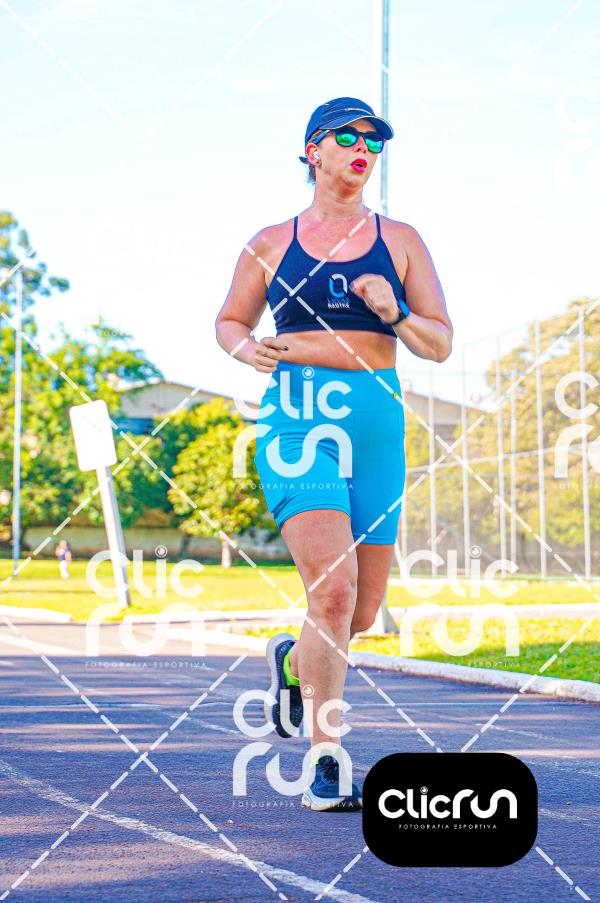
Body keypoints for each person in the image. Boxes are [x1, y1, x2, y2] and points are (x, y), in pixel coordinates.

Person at [215, 97, 452, 811]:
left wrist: (395, 312)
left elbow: (439, 343)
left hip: (376, 422)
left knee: (362, 612)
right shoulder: (269, 241)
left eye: (374, 142)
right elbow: (229, 320)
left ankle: (293, 661)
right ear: (313, 149)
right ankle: (327, 760)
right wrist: (246, 349)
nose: (363, 150)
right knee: (334, 590)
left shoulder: (400, 240)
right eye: (349, 137)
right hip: (298, 419)